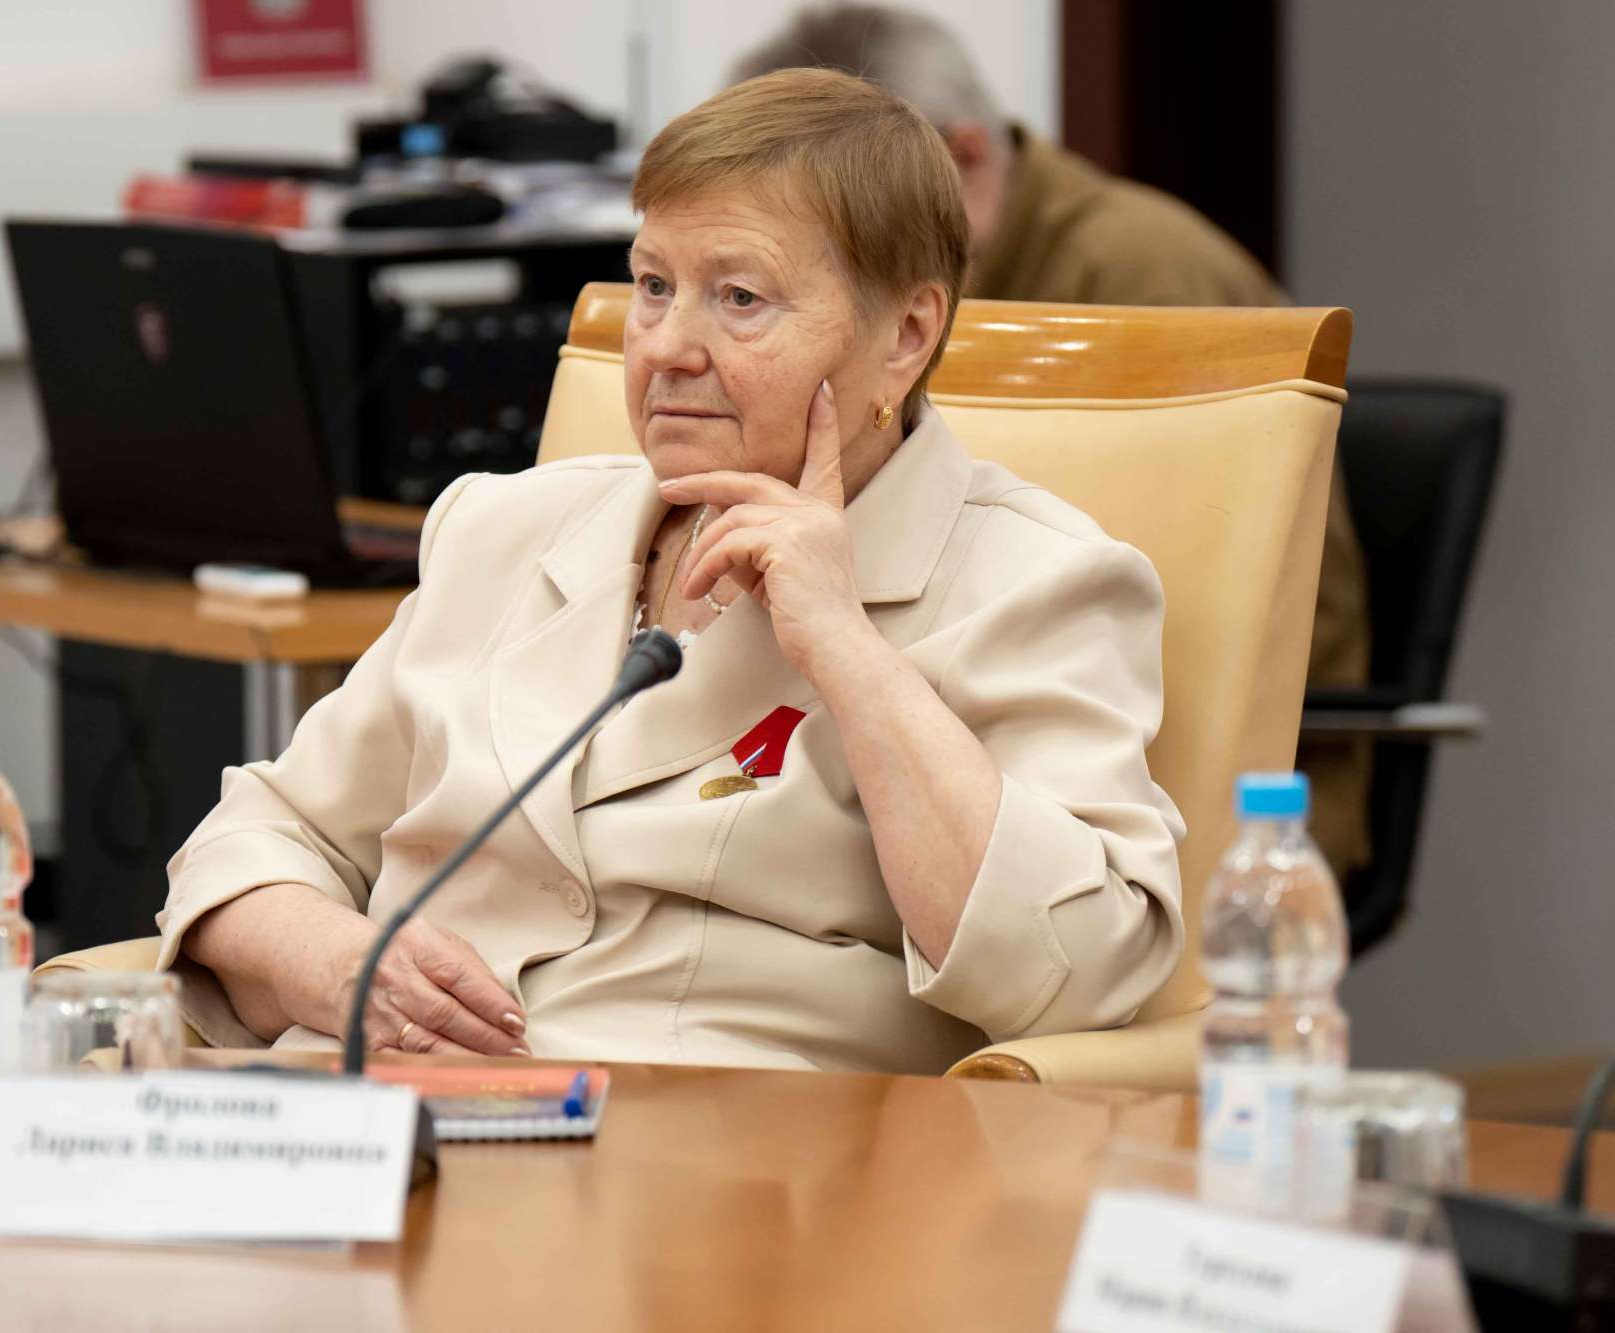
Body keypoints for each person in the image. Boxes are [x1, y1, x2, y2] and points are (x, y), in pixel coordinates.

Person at [159, 68, 1184, 1075]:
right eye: (653, 286)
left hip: (708, 1152)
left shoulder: (1037, 580)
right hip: (367, 1116)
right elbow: (262, 833)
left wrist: (846, 647)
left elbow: (1075, 970)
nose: (666, 348)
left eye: (739, 297)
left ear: (906, 335)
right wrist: (333, 963)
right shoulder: (501, 527)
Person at [735, 3, 1373, 883]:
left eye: (842, 206)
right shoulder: (952, 272)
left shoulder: (1143, 277)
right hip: (944, 711)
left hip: (1177, 765)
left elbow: (1211, 598)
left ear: (963, 157)